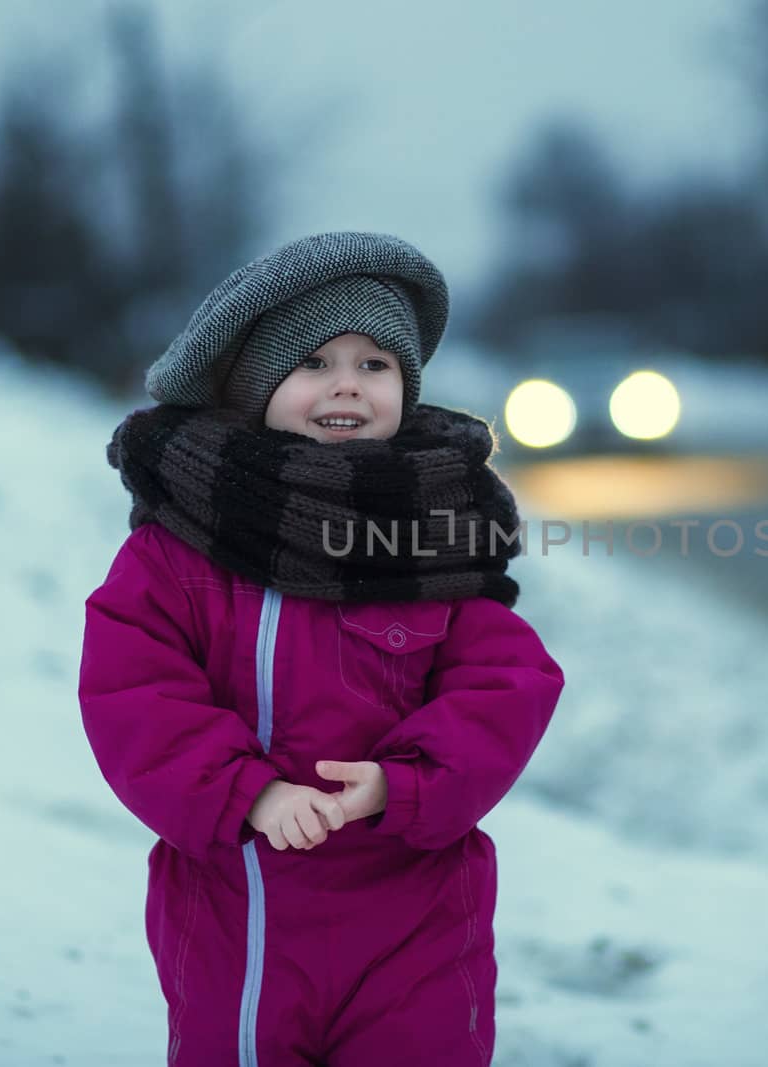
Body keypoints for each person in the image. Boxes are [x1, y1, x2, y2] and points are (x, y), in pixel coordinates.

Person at [78, 232, 564, 1066]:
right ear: (253, 386)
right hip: (242, 903)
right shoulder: (185, 544)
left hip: (412, 907)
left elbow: (506, 680)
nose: (347, 383)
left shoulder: (438, 531)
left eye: (375, 365)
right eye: (313, 363)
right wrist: (247, 792)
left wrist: (405, 781)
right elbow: (134, 688)